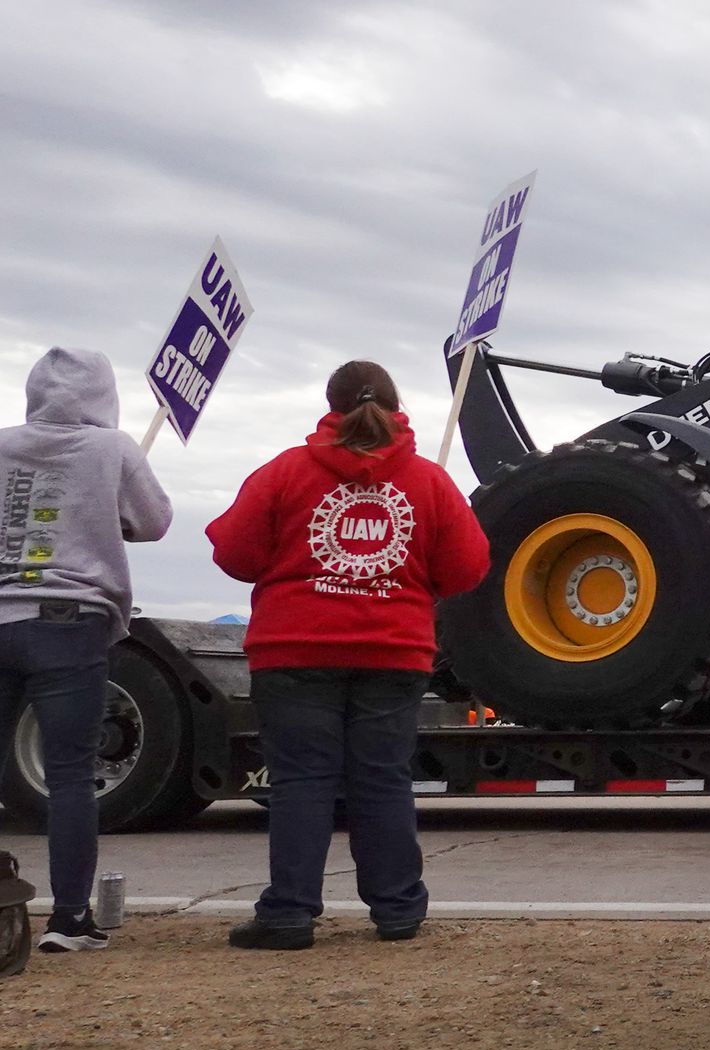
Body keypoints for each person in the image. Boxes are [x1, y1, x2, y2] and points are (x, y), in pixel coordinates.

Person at [207, 360, 488, 950]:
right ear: (397, 404)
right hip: (393, 651)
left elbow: (234, 553)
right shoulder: (428, 481)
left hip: (294, 651)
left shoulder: (285, 472)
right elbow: (468, 568)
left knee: (301, 781)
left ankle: (288, 913)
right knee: (382, 780)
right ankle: (397, 910)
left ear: (330, 405)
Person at [0, 347, 172, 953]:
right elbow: (154, 522)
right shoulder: (111, 449)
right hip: (69, 624)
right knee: (70, 774)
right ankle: (69, 918)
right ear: (104, 393)